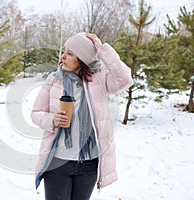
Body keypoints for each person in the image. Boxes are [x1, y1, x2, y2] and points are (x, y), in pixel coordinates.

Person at [31, 32, 133, 200]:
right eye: (65, 51)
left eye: (70, 53)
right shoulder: (54, 79)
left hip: (89, 164)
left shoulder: (99, 79)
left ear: (82, 60)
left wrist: (102, 49)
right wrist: (52, 120)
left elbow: (124, 79)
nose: (63, 56)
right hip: (58, 163)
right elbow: (35, 113)